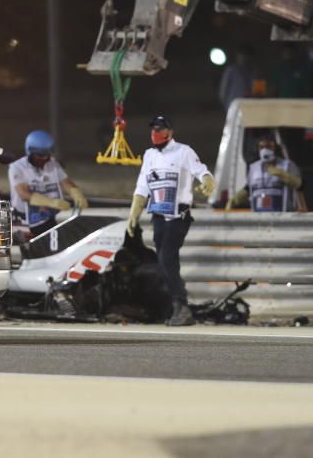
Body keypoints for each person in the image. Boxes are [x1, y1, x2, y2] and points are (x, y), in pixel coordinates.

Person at [126, 115, 215, 326]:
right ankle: (175, 306)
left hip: (178, 216)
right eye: (153, 129)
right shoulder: (149, 155)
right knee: (166, 262)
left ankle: (181, 305)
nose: (155, 132)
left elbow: (201, 171)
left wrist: (207, 180)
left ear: (170, 132)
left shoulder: (184, 152)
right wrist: (133, 214)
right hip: (158, 215)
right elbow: (142, 188)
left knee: (167, 258)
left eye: (160, 129)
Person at [8, 130, 88, 236]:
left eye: (47, 154)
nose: (45, 158)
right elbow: (24, 194)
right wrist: (52, 203)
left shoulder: (53, 164)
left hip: (49, 217)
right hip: (25, 221)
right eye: (41, 155)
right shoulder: (17, 168)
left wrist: (78, 196)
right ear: (30, 152)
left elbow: (67, 183)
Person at [228, 132, 302, 212]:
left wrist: (282, 174)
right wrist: (236, 199)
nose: (265, 150)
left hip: (282, 215)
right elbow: (249, 188)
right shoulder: (254, 168)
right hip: (259, 215)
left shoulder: (287, 165)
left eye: (269, 147)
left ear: (275, 148)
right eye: (261, 147)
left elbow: (299, 184)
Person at [219, 45, 255, 111]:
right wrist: (227, 106)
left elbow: (260, 92)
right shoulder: (231, 70)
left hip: (251, 107)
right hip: (234, 107)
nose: (244, 57)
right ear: (238, 56)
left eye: (247, 55)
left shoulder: (256, 72)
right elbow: (223, 90)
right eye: (242, 55)